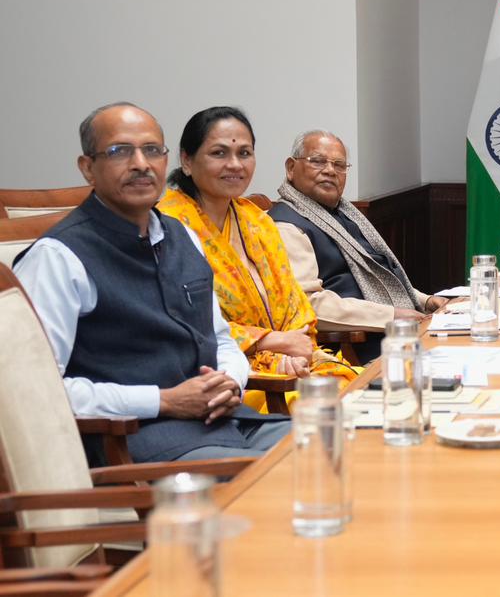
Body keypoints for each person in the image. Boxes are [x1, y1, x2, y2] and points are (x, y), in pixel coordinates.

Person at [13, 103, 289, 464]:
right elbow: (37, 392)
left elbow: (220, 338)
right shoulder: (58, 258)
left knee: (339, 441)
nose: (141, 163)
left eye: (152, 150)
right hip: (138, 442)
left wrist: (231, 381)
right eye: (119, 151)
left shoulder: (184, 237)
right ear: (88, 169)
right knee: (281, 477)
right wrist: (163, 400)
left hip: (226, 421)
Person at [156, 107, 357, 409]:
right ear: (187, 160)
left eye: (244, 153)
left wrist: (293, 347)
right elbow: (183, 323)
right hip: (228, 376)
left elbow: (294, 303)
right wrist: (271, 343)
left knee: (379, 393)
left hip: (294, 364)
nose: (235, 165)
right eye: (219, 153)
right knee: (339, 411)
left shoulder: (255, 220)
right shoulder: (168, 227)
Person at [269, 130, 448, 332]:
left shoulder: (342, 214)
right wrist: (391, 315)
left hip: (398, 329)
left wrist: (425, 301)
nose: (330, 171)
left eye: (339, 165)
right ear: (291, 168)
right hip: (359, 344)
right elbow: (307, 304)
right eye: (318, 161)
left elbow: (374, 276)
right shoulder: (287, 226)